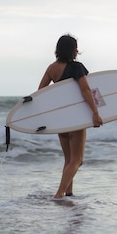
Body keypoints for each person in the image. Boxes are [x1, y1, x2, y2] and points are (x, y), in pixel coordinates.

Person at [38, 34, 103, 199]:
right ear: (72, 50)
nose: (77, 51)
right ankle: (59, 194)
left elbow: (41, 92)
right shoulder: (76, 67)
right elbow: (86, 90)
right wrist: (95, 113)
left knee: (68, 160)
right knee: (77, 160)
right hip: (75, 118)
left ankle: (68, 193)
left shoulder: (51, 68)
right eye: (76, 47)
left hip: (61, 119)